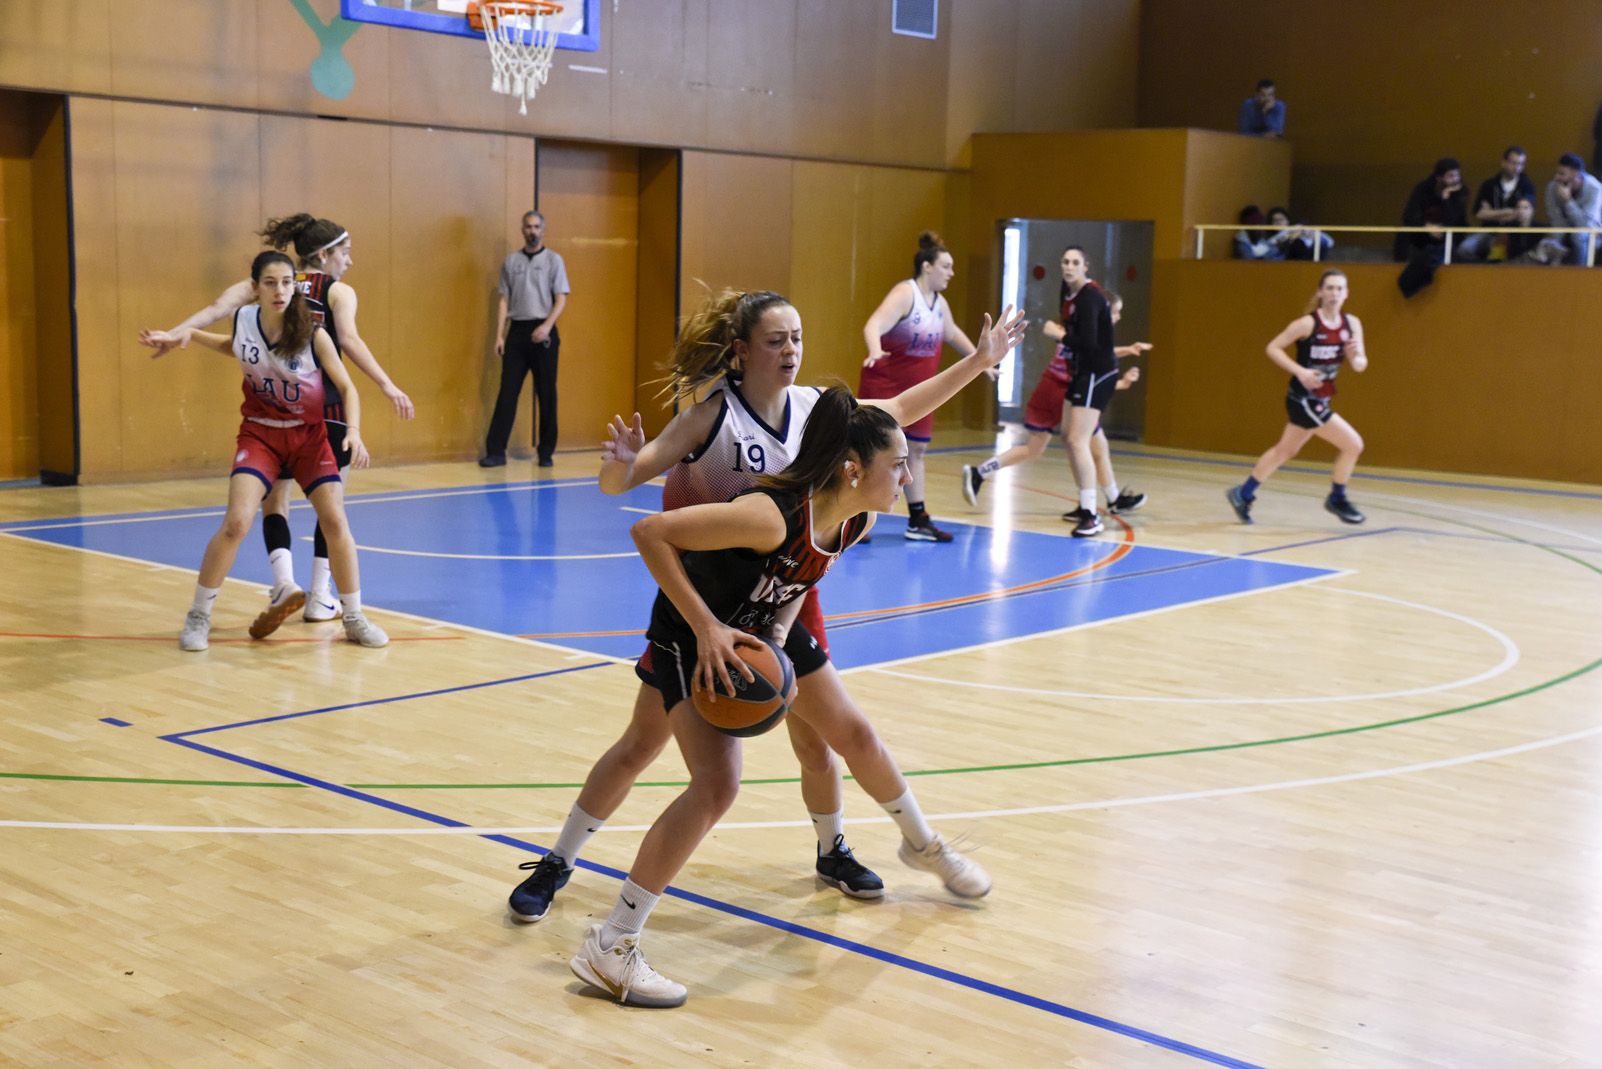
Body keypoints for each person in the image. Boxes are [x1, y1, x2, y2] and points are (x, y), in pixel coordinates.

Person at [505, 289, 1025, 929]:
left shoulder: (816, 414)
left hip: (786, 588)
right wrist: (617, 469)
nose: (791, 351)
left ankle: (840, 849)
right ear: (742, 350)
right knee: (645, 743)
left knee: (828, 738)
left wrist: (978, 363)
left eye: (798, 338)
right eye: (776, 340)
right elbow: (629, 484)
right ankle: (560, 863)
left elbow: (895, 413)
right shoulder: (711, 418)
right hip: (706, 599)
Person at [567, 386, 990, 1009]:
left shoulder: (856, 518)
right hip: (695, 631)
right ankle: (613, 942)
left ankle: (922, 845)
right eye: (896, 464)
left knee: (855, 734)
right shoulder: (769, 515)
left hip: (760, 626)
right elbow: (650, 532)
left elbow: (801, 579)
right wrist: (710, 629)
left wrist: (780, 643)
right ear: (852, 468)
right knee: (716, 785)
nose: (907, 474)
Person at [139, 214, 415, 637]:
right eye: (271, 283)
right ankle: (210, 612)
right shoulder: (258, 311)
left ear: (295, 281)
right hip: (264, 432)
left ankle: (349, 613)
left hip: (310, 430)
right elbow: (230, 337)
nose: (281, 290)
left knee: (332, 518)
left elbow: (345, 378)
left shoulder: (311, 328)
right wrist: (182, 335)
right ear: (258, 286)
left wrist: (357, 430)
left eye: (286, 283)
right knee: (237, 522)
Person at [961, 291, 1148, 515]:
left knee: (1037, 448)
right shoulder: (1085, 335)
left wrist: (1127, 351)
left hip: (1055, 389)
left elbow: (1100, 356)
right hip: (1059, 392)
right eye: (1115, 312)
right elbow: (1094, 368)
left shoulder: (1084, 334)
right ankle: (1105, 501)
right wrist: (1120, 382)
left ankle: (979, 473)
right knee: (1092, 445)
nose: (1118, 317)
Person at [858, 231, 978, 542]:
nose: (951, 272)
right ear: (927, 266)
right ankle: (855, 515)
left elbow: (951, 333)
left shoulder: (939, 303)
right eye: (946, 266)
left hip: (919, 387)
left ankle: (918, 518)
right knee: (873, 448)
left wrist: (982, 359)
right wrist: (874, 349)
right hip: (886, 384)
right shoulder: (905, 293)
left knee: (917, 450)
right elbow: (873, 325)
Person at [1226, 269, 1368, 527]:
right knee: (1354, 445)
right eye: (1330, 288)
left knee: (1285, 450)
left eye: (1339, 289)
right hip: (1303, 399)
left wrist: (1355, 355)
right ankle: (1337, 497)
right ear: (1320, 292)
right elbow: (1273, 347)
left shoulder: (1352, 324)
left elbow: (1360, 365)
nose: (1334, 293)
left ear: (1346, 293)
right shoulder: (1307, 324)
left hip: (1321, 398)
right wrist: (1300, 371)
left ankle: (1243, 493)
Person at [482, 210, 570, 468]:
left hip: (544, 333)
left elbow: (561, 298)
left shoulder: (554, 260)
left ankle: (545, 453)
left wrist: (546, 326)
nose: (532, 231)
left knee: (546, 394)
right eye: (528, 227)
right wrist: (500, 335)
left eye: (536, 227)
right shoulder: (511, 262)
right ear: (522, 230)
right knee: (507, 392)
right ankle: (496, 451)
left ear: (543, 230)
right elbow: (503, 300)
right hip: (517, 332)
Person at [1458, 146, 1537, 262]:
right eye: (1513, 163)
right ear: (1503, 162)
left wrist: (1491, 212)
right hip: (1488, 231)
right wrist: (1506, 212)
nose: (1517, 168)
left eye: (1521, 164)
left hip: (1513, 234)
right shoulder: (1489, 185)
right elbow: (1479, 214)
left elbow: (1523, 214)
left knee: (1500, 251)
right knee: (1464, 249)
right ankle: (1480, 270)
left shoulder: (1526, 185)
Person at [1394, 158, 1469, 262]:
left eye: (1457, 175)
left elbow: (1456, 220)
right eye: (1451, 176)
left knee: (1455, 239)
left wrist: (1445, 199)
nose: (1456, 179)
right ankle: (1399, 265)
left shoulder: (1461, 191)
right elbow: (1409, 216)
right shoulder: (1423, 189)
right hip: (1424, 230)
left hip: (1449, 232)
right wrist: (1427, 226)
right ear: (1439, 178)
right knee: (1404, 233)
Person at [1540, 153, 1602, 264]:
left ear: (1576, 175)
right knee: (1555, 234)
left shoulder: (1595, 189)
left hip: (1591, 231)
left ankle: (1581, 274)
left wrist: (1568, 201)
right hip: (1564, 226)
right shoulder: (1552, 187)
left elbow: (1585, 224)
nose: (1556, 177)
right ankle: (1553, 274)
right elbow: (1555, 220)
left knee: (1578, 235)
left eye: (1562, 174)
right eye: (1557, 173)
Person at [1266, 207, 1332, 261]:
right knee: (1298, 243)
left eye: (1281, 219)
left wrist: (1313, 234)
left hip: (1308, 257)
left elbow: (1330, 242)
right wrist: (1288, 233)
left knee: (1320, 243)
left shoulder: (1298, 229)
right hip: (1285, 261)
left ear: (1287, 221)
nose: (1278, 222)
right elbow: (1270, 244)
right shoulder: (1270, 238)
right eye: (1275, 220)